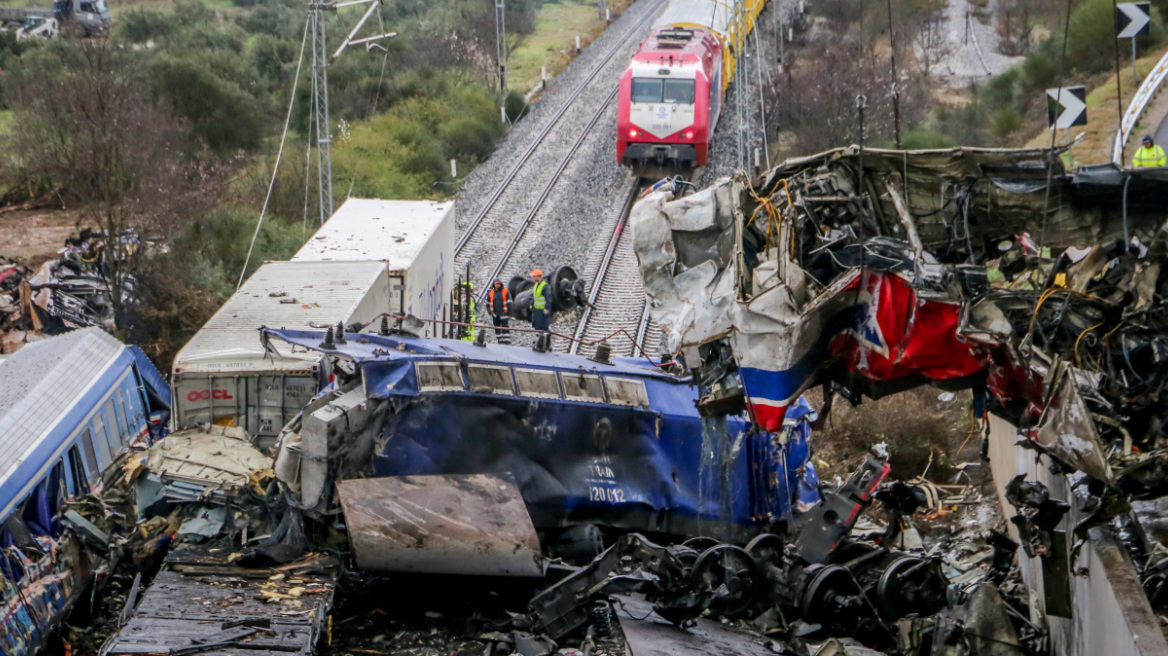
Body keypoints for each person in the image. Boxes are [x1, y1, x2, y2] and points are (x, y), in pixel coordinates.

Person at [488, 279, 511, 344]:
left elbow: (510, 302)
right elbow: (488, 303)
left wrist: (510, 313)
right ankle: (500, 340)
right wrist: (490, 312)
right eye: (496, 284)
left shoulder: (505, 291)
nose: (498, 285)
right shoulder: (491, 293)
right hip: (495, 314)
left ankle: (507, 341)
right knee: (497, 327)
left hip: (504, 313)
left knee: (505, 327)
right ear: (494, 284)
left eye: (499, 284)